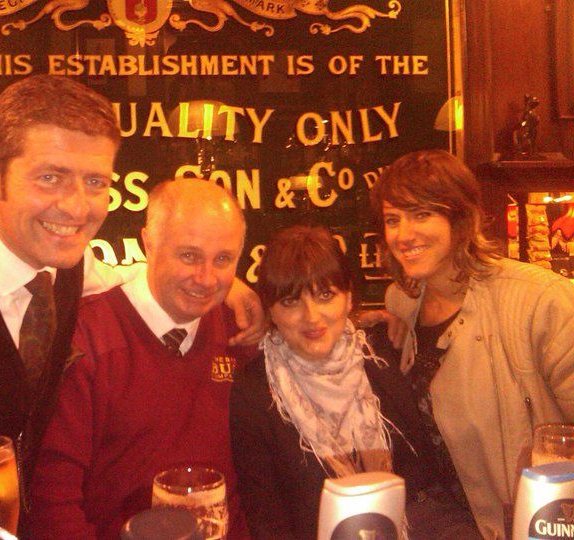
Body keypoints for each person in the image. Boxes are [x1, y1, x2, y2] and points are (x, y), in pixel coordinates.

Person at [0, 76, 264, 540]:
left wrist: (225, 284)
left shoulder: (66, 264)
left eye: (95, 182)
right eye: (51, 177)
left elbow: (140, 277)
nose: (76, 207)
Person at [29, 178, 256, 539]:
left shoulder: (240, 330)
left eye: (223, 259)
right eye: (189, 256)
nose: (206, 278)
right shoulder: (85, 338)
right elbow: (52, 498)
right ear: (149, 243)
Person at [370, 149, 574, 539]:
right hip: (439, 524)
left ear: (460, 218)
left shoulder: (539, 301)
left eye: (421, 214)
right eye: (393, 220)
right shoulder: (401, 303)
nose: (404, 234)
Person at [229, 225, 432, 540]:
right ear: (271, 311)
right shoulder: (254, 391)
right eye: (291, 301)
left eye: (325, 295)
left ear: (348, 298)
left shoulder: (381, 358)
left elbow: (422, 481)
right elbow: (265, 519)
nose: (312, 317)